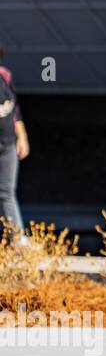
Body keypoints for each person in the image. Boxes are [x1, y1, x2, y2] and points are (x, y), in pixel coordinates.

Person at [0, 47, 28, 242]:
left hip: (8, 143)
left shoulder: (4, 76)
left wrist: (22, 136)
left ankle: (18, 241)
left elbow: (15, 109)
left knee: (7, 192)